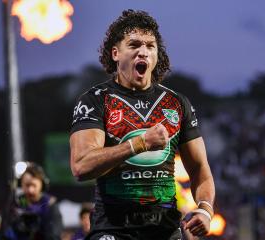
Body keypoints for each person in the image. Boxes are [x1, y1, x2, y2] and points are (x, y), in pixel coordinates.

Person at [70, 9, 215, 240]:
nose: (143, 52)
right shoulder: (95, 100)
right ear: (115, 53)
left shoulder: (177, 103)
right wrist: (140, 143)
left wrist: (205, 209)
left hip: (165, 228)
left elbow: (199, 168)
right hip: (112, 229)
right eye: (134, 45)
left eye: (150, 45)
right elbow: (81, 166)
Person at [4, 162, 63, 240]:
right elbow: (5, 232)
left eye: (34, 185)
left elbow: (54, 235)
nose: (30, 190)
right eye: (27, 185)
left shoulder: (49, 204)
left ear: (42, 185)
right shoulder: (17, 203)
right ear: (21, 184)